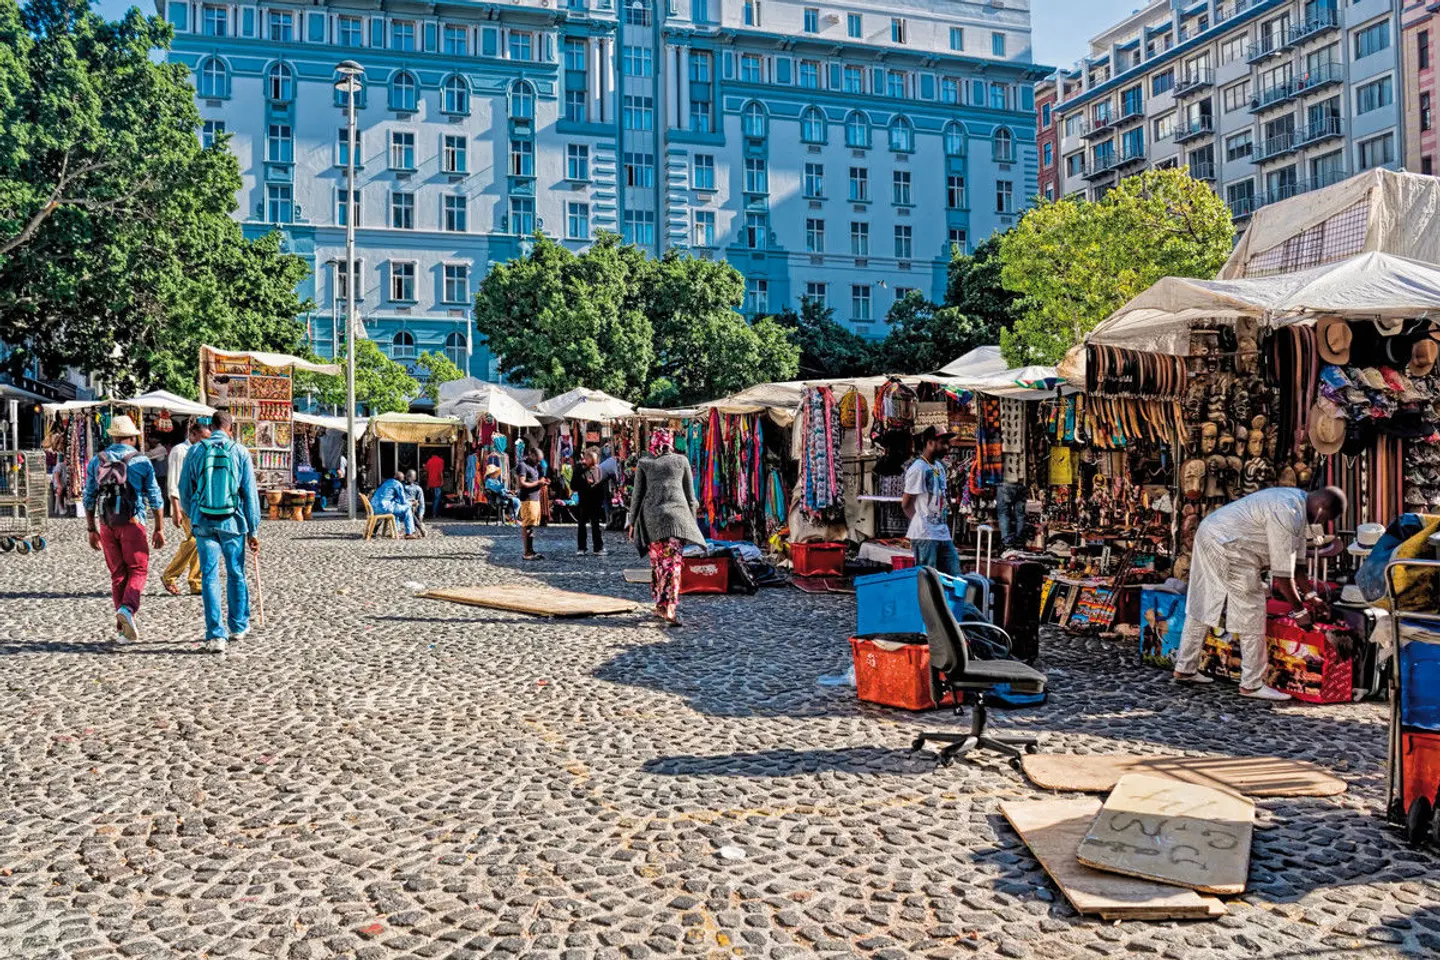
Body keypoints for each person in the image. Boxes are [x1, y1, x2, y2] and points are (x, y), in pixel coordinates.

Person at [1173, 486, 1347, 701]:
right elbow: (1282, 576)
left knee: (1204, 601)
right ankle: (1252, 684)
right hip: (1230, 546)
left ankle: (1185, 667)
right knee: (1251, 610)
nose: (1323, 524)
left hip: (1214, 533)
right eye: (1327, 518)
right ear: (1322, 509)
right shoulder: (1288, 513)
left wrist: (1311, 596)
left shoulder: (1297, 505)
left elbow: (1297, 566)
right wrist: (1300, 612)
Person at [180, 409, 261, 655]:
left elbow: (184, 490)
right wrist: (253, 529)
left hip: (204, 523)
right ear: (230, 429)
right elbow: (250, 493)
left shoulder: (195, 450)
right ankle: (238, 626)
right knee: (236, 573)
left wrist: (194, 513)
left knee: (209, 576)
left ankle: (216, 635)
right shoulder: (240, 451)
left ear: (211, 427)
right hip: (232, 523)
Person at [83, 415, 166, 643]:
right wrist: (159, 528)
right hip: (133, 522)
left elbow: (89, 497)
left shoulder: (97, 461)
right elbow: (155, 496)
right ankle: (127, 609)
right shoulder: (141, 461)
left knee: (118, 574)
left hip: (106, 523)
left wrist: (91, 529)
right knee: (138, 570)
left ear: (113, 436)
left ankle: (123, 631)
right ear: (132, 437)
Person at [627, 429, 705, 626]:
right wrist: (692, 523)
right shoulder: (682, 461)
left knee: (658, 563)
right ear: (670, 443)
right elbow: (691, 497)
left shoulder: (645, 463)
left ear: (653, 442)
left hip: (652, 520)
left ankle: (661, 604)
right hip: (677, 519)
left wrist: (632, 522)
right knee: (673, 563)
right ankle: (669, 605)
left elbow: (637, 496)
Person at [902, 426, 959, 576]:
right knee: (928, 578)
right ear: (930, 443)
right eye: (943, 443)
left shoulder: (939, 467)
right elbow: (906, 504)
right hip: (925, 535)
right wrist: (921, 521)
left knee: (954, 575)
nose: (947, 447)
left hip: (942, 532)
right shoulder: (918, 469)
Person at [161, 419, 209, 596]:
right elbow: (173, 480)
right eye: (203, 438)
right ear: (193, 434)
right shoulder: (180, 451)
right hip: (184, 504)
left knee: (199, 540)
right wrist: (175, 508)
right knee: (195, 540)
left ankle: (196, 581)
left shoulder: (202, 451)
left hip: (198, 503)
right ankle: (170, 575)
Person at [571, 447, 609, 556]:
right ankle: (581, 547)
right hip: (584, 500)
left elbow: (601, 484)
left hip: (595, 501)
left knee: (596, 525)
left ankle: (598, 547)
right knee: (582, 524)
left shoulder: (598, 469)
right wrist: (585, 483)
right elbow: (573, 485)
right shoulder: (579, 469)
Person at [517, 447, 548, 560]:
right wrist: (538, 483)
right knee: (528, 526)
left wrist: (542, 483)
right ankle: (527, 553)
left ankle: (530, 550)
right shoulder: (523, 466)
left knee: (532, 525)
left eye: (540, 461)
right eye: (537, 460)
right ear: (531, 455)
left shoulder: (536, 466)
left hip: (535, 498)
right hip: (528, 498)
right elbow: (522, 483)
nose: (538, 463)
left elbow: (537, 480)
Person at [371, 470, 418, 538]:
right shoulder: (398, 484)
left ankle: (396, 531)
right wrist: (412, 503)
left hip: (374, 508)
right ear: (401, 480)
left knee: (396, 509)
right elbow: (403, 501)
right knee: (407, 509)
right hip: (384, 508)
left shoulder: (386, 482)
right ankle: (409, 533)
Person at [403, 469, 428, 537]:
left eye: (410, 476)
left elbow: (421, 503)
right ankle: (419, 527)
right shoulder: (401, 486)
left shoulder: (417, 488)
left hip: (412, 506)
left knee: (409, 509)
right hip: (402, 505)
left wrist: (421, 514)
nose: (408, 478)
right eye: (408, 476)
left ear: (414, 478)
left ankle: (416, 528)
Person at [424, 452, 445, 519]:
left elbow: (426, 472)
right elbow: (440, 472)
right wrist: (442, 481)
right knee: (437, 498)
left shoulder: (429, 461)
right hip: (437, 482)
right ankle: (434, 514)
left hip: (430, 482)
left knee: (434, 498)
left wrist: (427, 483)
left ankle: (434, 513)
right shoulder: (440, 461)